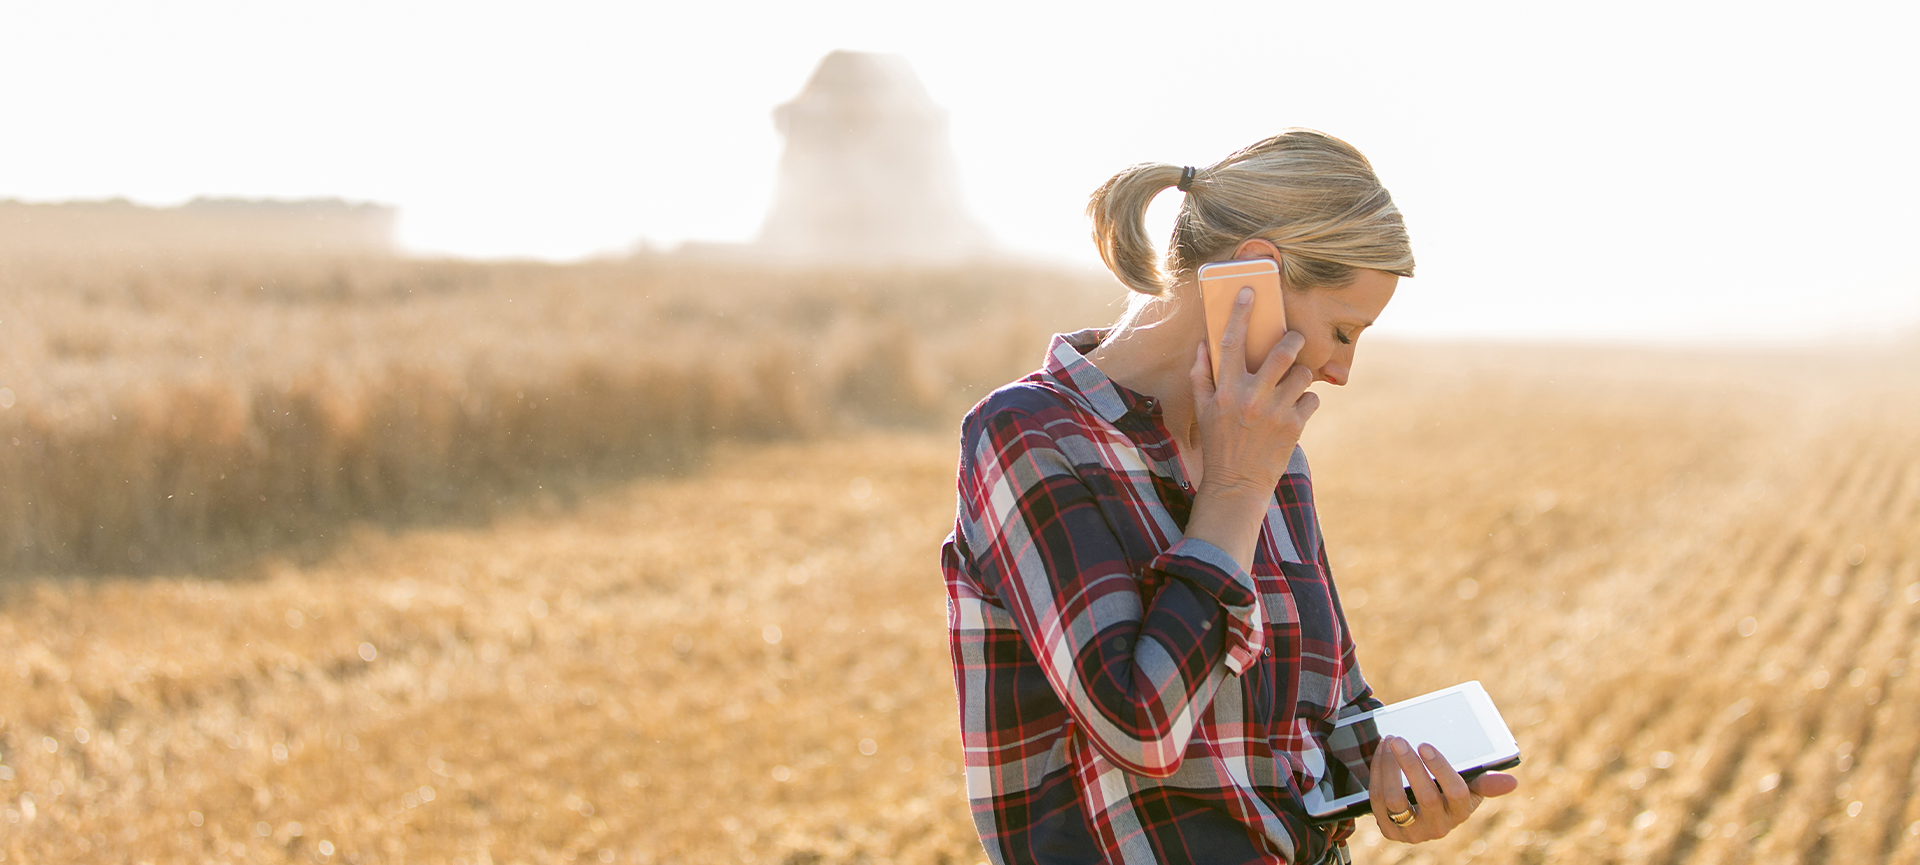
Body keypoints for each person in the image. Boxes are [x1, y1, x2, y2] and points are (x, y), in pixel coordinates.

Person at [940, 129, 1518, 865]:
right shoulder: (1031, 434)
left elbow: (1327, 713)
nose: (1341, 370)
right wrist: (1235, 490)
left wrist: (1396, 777)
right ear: (1254, 274)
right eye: (1342, 330)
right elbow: (1140, 728)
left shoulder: (1276, 454)